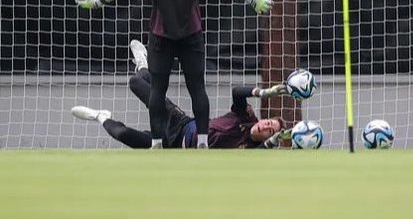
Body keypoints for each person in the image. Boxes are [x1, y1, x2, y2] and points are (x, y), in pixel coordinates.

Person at [76, 0, 273, 149]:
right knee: (197, 88)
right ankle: (202, 142)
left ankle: (157, 142)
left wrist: (98, 1)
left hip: (161, 33)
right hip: (191, 32)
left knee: (157, 89)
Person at [72, 40, 289, 149]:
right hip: (181, 123)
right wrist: (265, 92)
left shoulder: (251, 149)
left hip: (172, 145)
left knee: (123, 136)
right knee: (135, 83)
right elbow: (237, 93)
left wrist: (280, 138)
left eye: (269, 131)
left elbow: (265, 150)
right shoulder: (246, 116)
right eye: (269, 122)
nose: (265, 126)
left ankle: (100, 116)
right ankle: (143, 66)